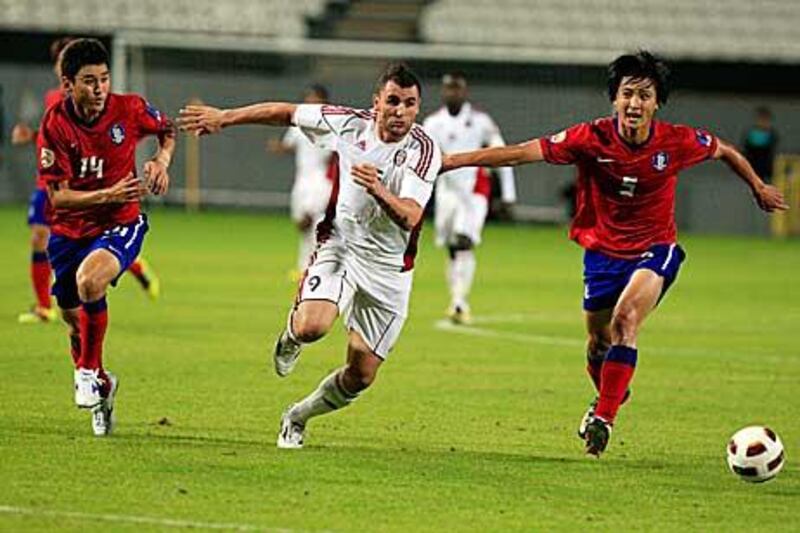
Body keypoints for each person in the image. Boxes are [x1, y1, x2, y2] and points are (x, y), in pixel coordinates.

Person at [441, 51, 787, 457]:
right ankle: (611, 394)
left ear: (657, 103)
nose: (635, 104)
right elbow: (520, 152)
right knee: (596, 345)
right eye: (627, 94)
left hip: (655, 248)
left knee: (626, 320)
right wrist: (453, 161)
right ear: (614, 100)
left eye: (644, 95)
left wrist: (757, 186)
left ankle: (603, 418)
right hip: (602, 254)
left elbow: (725, 149)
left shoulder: (676, 141)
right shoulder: (591, 138)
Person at [179, 63, 441, 449]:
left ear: (418, 108)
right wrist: (225, 117)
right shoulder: (350, 125)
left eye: (409, 103)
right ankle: (291, 332)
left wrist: (378, 189)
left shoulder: (424, 151)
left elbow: (411, 216)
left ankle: (297, 415)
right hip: (343, 245)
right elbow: (286, 112)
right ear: (377, 103)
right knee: (312, 327)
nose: (400, 110)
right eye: (393, 101)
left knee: (361, 375)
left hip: (389, 271)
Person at [38, 38, 175, 435]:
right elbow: (59, 198)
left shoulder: (128, 108)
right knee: (72, 319)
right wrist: (106, 193)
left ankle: (84, 373)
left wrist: (159, 161)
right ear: (68, 84)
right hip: (70, 230)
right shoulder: (55, 124)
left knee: (90, 281)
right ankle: (102, 384)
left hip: (122, 221)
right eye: (89, 82)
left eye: (104, 79)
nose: (99, 90)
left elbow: (167, 129)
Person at [15, 38, 160, 325]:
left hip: (85, 187)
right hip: (52, 184)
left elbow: (109, 135)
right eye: (58, 63)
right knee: (40, 239)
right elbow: (56, 141)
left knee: (90, 243)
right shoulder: (53, 100)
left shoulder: (98, 99)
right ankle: (47, 308)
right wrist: (30, 136)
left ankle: (133, 266)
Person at [423, 72, 516, 324]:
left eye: (457, 88)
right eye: (448, 88)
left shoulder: (480, 122)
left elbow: (502, 153)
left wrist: (508, 194)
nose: (453, 93)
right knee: (453, 247)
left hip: (475, 189)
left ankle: (460, 303)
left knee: (465, 241)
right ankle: (456, 299)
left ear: (465, 92)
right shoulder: (432, 123)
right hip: (446, 193)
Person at [267, 84, 335, 277]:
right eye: (308, 98)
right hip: (301, 180)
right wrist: (277, 147)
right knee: (301, 223)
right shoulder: (298, 125)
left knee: (314, 223)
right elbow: (289, 146)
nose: (311, 101)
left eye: (315, 98)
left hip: (320, 180)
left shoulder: (330, 125)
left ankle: (314, 268)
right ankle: (305, 267)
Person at [742, 106, 778, 184]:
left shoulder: (771, 134)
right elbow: (747, 149)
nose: (762, 122)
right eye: (761, 119)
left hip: (765, 167)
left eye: (765, 119)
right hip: (752, 166)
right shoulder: (751, 133)